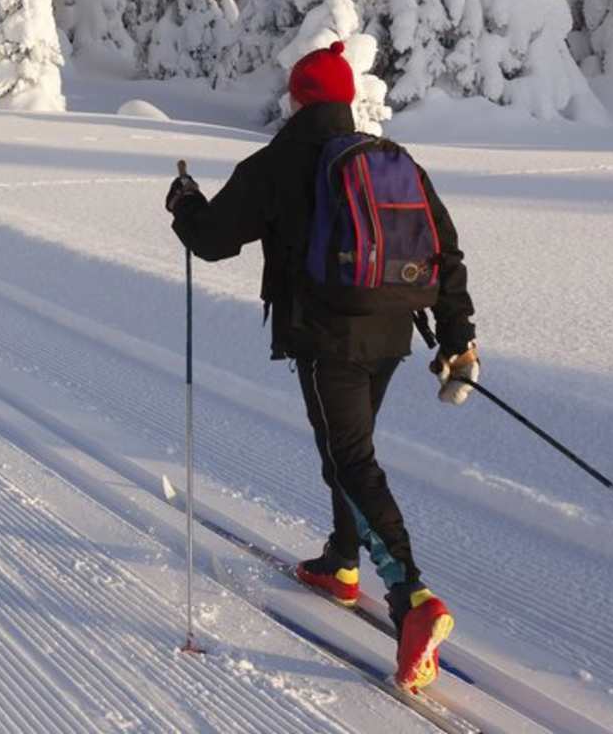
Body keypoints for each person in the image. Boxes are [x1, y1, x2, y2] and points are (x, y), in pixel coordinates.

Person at [164, 41, 480, 693]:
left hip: (325, 335)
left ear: (299, 97)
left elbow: (213, 240)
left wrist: (184, 203)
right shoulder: (392, 160)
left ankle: (413, 601)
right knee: (346, 448)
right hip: (393, 333)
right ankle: (341, 561)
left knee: (351, 460)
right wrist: (457, 339)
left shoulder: (278, 163)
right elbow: (445, 253)